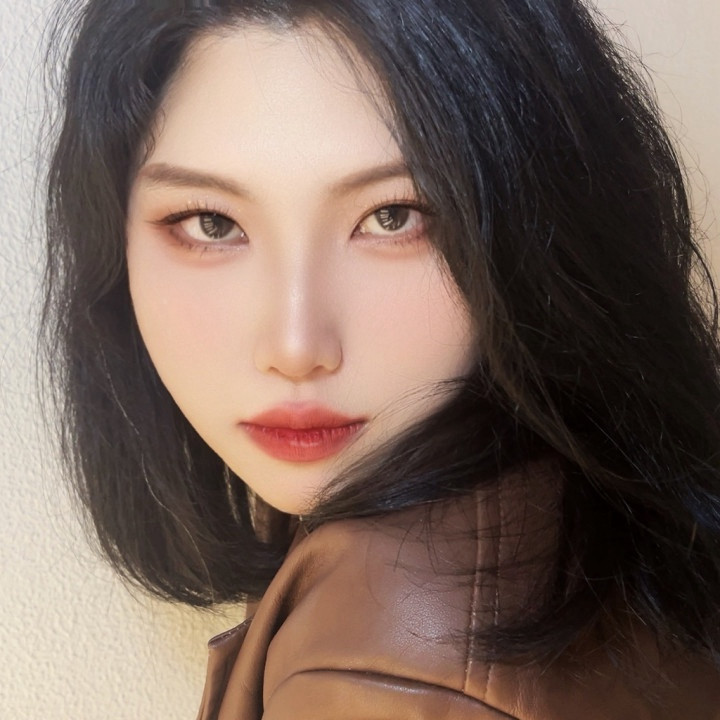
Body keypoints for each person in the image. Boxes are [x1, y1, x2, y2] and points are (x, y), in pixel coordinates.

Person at [42, 0, 720, 717]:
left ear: (532, 220)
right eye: (211, 223)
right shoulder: (586, 500)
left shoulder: (385, 674)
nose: (295, 349)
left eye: (393, 217)